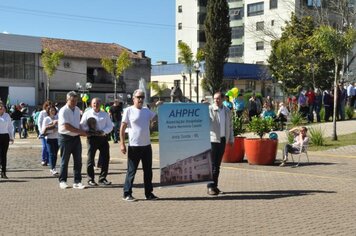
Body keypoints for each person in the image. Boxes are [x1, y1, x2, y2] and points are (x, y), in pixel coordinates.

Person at [120, 89, 158, 201]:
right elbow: (122, 128)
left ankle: (148, 193)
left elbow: (156, 118)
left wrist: (158, 109)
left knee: (148, 171)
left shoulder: (147, 111)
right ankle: (127, 193)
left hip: (146, 145)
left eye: (142, 97)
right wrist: (122, 143)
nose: (140, 99)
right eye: (138, 97)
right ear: (133, 99)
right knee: (131, 171)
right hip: (134, 146)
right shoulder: (128, 110)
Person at [80, 97, 113, 186]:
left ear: (100, 104)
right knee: (90, 159)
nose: (96, 105)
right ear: (91, 104)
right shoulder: (87, 113)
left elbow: (110, 126)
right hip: (92, 138)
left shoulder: (105, 114)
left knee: (106, 158)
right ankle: (90, 179)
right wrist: (90, 130)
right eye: (94, 103)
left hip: (103, 138)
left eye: (98, 103)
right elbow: (82, 125)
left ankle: (102, 178)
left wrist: (103, 131)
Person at [58, 91, 87, 189]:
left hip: (76, 138)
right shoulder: (63, 110)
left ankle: (77, 181)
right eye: (72, 100)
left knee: (78, 160)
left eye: (76, 100)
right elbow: (66, 126)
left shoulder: (78, 109)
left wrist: (83, 130)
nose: (74, 102)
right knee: (64, 160)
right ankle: (62, 180)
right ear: (67, 100)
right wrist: (80, 132)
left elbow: (77, 124)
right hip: (65, 138)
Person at [207, 92, 234, 195]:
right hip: (213, 140)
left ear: (223, 99)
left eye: (218, 99)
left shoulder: (227, 111)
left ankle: (215, 186)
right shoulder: (209, 109)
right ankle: (210, 187)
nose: (216, 101)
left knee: (217, 165)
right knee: (213, 165)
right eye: (214, 99)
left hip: (222, 140)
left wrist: (231, 139)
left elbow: (230, 126)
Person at [42, 104, 59, 176]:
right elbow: (43, 130)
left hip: (57, 138)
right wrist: (52, 130)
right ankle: (52, 168)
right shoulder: (46, 119)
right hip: (49, 139)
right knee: (51, 153)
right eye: (51, 110)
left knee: (55, 154)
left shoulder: (57, 118)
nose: (52, 111)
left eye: (54, 110)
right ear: (48, 111)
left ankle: (53, 167)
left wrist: (56, 129)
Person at [0, 102, 14, 179]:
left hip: (5, 136)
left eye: (2, 106)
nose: (1, 108)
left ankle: (3, 172)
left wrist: (11, 137)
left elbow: (10, 127)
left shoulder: (7, 115)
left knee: (3, 155)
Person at [38, 101, 52, 166]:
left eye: (50, 105)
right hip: (43, 132)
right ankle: (44, 159)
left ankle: (49, 160)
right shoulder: (42, 113)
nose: (49, 107)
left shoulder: (51, 113)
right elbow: (39, 122)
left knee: (49, 147)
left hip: (50, 132)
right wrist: (41, 132)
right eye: (48, 105)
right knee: (44, 147)